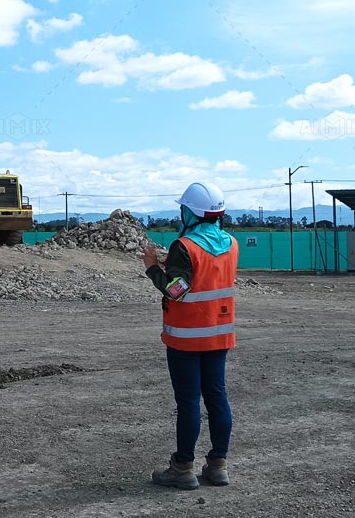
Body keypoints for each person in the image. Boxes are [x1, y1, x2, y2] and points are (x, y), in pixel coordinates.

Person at [142, 181, 237, 490]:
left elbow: (176, 290)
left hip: (186, 339)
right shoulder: (231, 244)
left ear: (192, 213)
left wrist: (153, 268)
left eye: (183, 209)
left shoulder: (184, 246)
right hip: (219, 336)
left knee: (189, 402)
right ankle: (218, 465)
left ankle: (183, 468)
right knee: (217, 397)